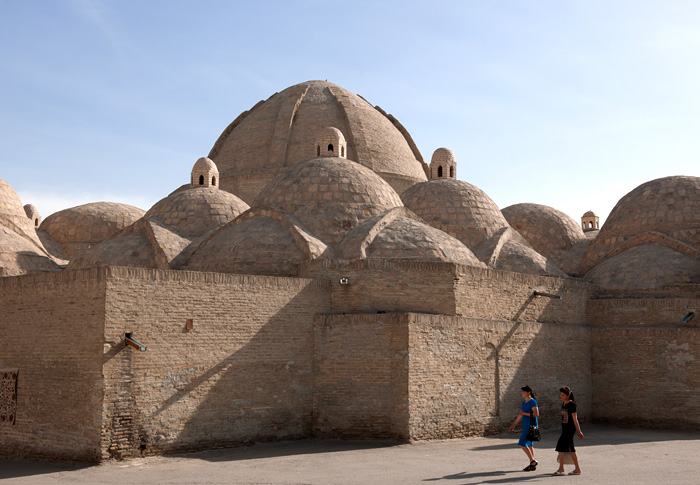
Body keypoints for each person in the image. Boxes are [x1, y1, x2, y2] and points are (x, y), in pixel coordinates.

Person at [553, 386, 584, 476]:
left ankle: (561, 468)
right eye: (561, 394)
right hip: (564, 429)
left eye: (563, 395)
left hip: (570, 429)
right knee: (569, 448)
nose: (561, 396)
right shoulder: (564, 404)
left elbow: (575, 419)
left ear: (568, 395)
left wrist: (579, 431)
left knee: (561, 447)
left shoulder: (572, 405)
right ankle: (576, 469)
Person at [509, 385, 539, 471]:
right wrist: (514, 424)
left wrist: (525, 414)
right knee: (529, 444)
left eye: (523, 391)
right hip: (525, 425)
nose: (522, 393)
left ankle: (533, 461)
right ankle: (532, 464)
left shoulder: (533, 402)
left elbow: (536, 414)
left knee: (522, 443)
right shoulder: (524, 402)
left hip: (531, 426)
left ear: (528, 392)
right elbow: (520, 415)